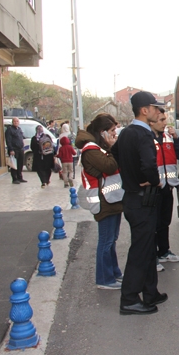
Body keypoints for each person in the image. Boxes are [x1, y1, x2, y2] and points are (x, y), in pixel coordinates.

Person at [111, 91, 167, 315]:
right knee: (140, 251)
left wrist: (129, 174)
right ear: (145, 111)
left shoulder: (126, 132)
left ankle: (150, 291)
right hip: (143, 200)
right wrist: (155, 181)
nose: (158, 111)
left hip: (133, 199)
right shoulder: (143, 135)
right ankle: (129, 299)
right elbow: (149, 166)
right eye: (155, 108)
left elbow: (114, 153)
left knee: (147, 247)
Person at [76, 113, 123, 290]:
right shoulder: (91, 150)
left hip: (112, 199)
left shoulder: (100, 148)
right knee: (106, 240)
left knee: (112, 239)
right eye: (111, 132)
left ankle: (114, 272)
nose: (114, 135)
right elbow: (110, 166)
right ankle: (104, 278)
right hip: (103, 201)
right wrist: (113, 148)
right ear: (102, 132)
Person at [150, 109, 179, 272]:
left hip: (167, 186)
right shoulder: (147, 139)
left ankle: (164, 252)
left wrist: (177, 139)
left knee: (164, 222)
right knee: (153, 224)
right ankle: (153, 257)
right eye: (161, 120)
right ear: (151, 122)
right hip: (153, 188)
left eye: (165, 119)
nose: (165, 123)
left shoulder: (168, 137)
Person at [5, 117, 27, 184]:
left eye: (17, 121)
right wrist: (11, 149)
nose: (16, 122)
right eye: (15, 121)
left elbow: (22, 137)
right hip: (14, 150)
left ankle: (20, 177)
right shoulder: (9, 130)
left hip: (20, 149)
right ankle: (14, 179)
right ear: (12, 122)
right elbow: (8, 140)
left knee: (20, 164)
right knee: (14, 164)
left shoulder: (19, 129)